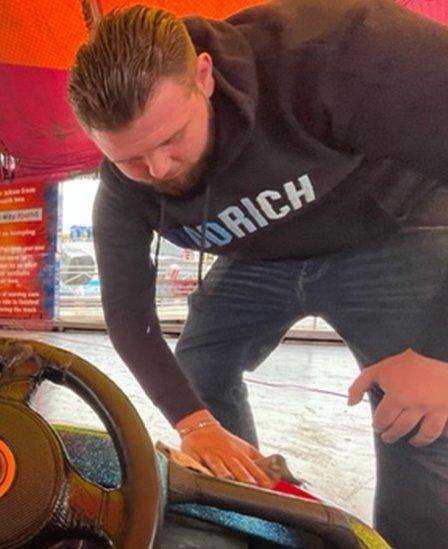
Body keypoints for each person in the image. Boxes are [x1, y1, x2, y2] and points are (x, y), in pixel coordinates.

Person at [67, 1, 448, 546]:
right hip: (259, 259)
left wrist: (439, 352)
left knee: (418, 418)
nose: (157, 170)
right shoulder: (124, 190)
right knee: (199, 365)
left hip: (393, 229)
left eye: (171, 138)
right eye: (130, 158)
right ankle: (243, 514)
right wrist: (194, 425)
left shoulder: (332, 55)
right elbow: (128, 315)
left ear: (204, 76)